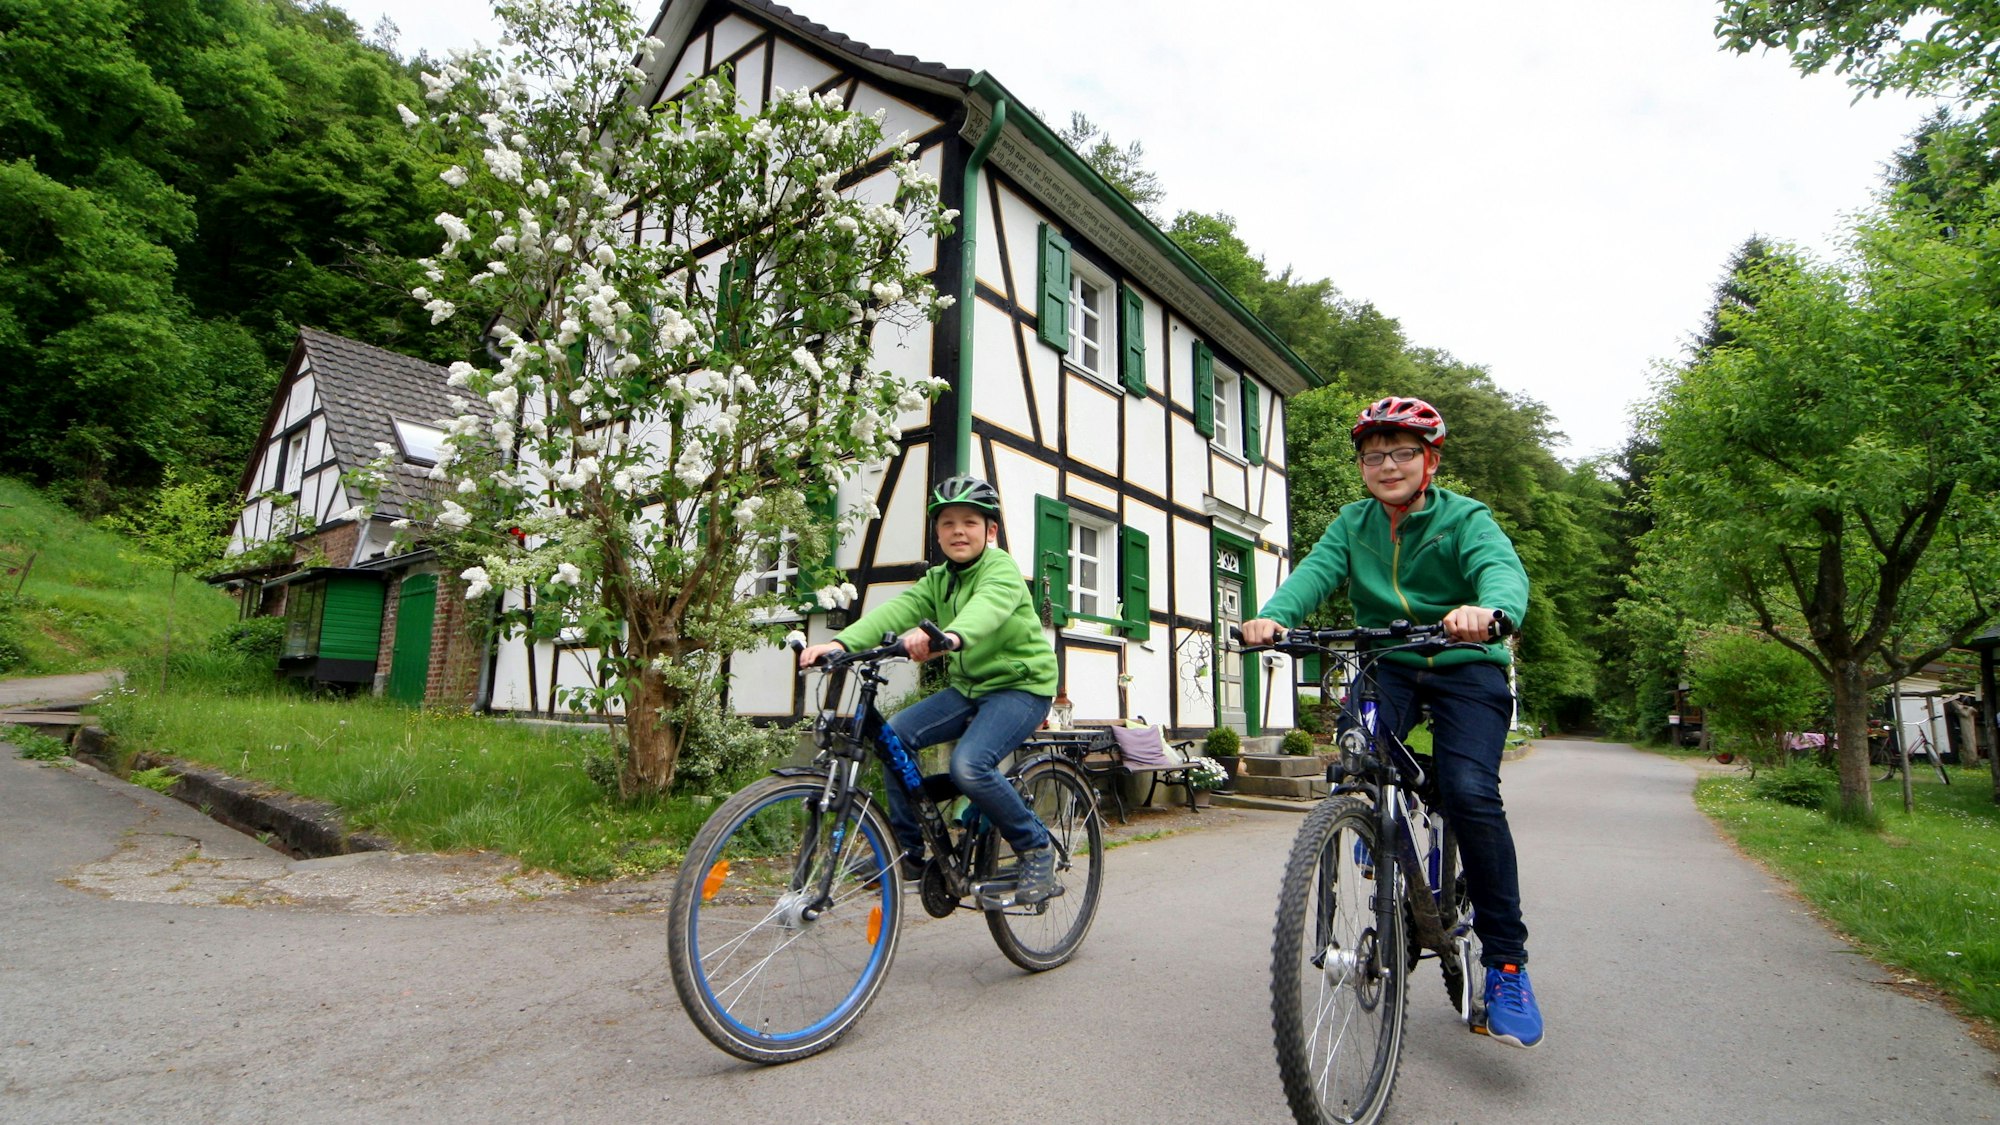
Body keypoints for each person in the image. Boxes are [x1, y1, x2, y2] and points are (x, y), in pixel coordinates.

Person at [1239, 396, 1544, 1049]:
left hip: (1466, 662)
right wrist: (1273, 615)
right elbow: (1313, 576)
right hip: (1392, 663)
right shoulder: (1352, 524)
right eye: (1374, 455)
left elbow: (1501, 570)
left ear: (1429, 460)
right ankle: (1373, 824)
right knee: (1357, 752)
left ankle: (1509, 966)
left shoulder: (1465, 517)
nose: (1387, 464)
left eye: (1403, 452)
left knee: (1468, 791)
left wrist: (1487, 608)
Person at [797, 475, 1062, 903]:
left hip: (1021, 687)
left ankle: (1035, 847)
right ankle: (911, 853)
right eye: (948, 523)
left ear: (990, 531)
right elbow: (899, 610)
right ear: (937, 533)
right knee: (895, 738)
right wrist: (841, 644)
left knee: (970, 765)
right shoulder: (938, 580)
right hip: (969, 687)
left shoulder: (1001, 569)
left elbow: (987, 608)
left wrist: (952, 636)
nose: (959, 530)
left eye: (970, 522)